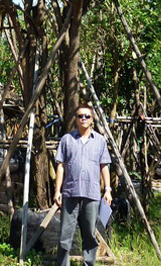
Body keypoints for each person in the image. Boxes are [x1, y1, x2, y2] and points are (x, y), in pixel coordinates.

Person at [54, 103, 112, 266]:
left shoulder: (100, 141)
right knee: (65, 237)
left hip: (92, 195)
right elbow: (61, 166)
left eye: (87, 116)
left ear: (92, 119)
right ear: (76, 119)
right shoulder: (67, 140)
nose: (84, 119)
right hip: (70, 194)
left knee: (89, 236)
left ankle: (89, 264)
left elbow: (104, 166)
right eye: (80, 116)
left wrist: (107, 190)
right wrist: (57, 191)